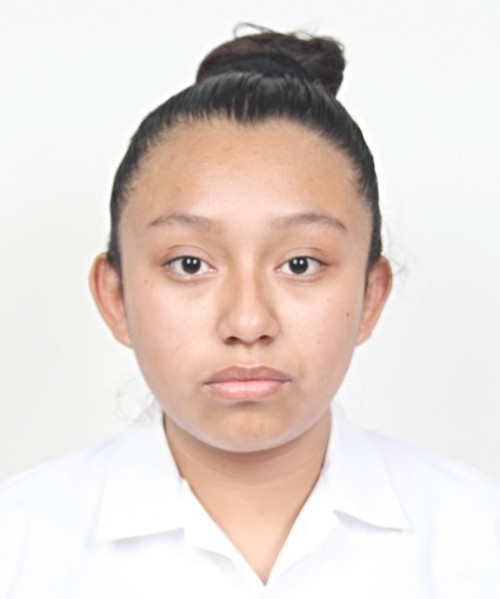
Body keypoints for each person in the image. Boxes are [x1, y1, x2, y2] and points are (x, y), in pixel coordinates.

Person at [1, 26, 499, 598]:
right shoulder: (17, 547)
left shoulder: (481, 541)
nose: (247, 323)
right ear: (115, 298)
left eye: (300, 264)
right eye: (190, 264)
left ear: (370, 295)